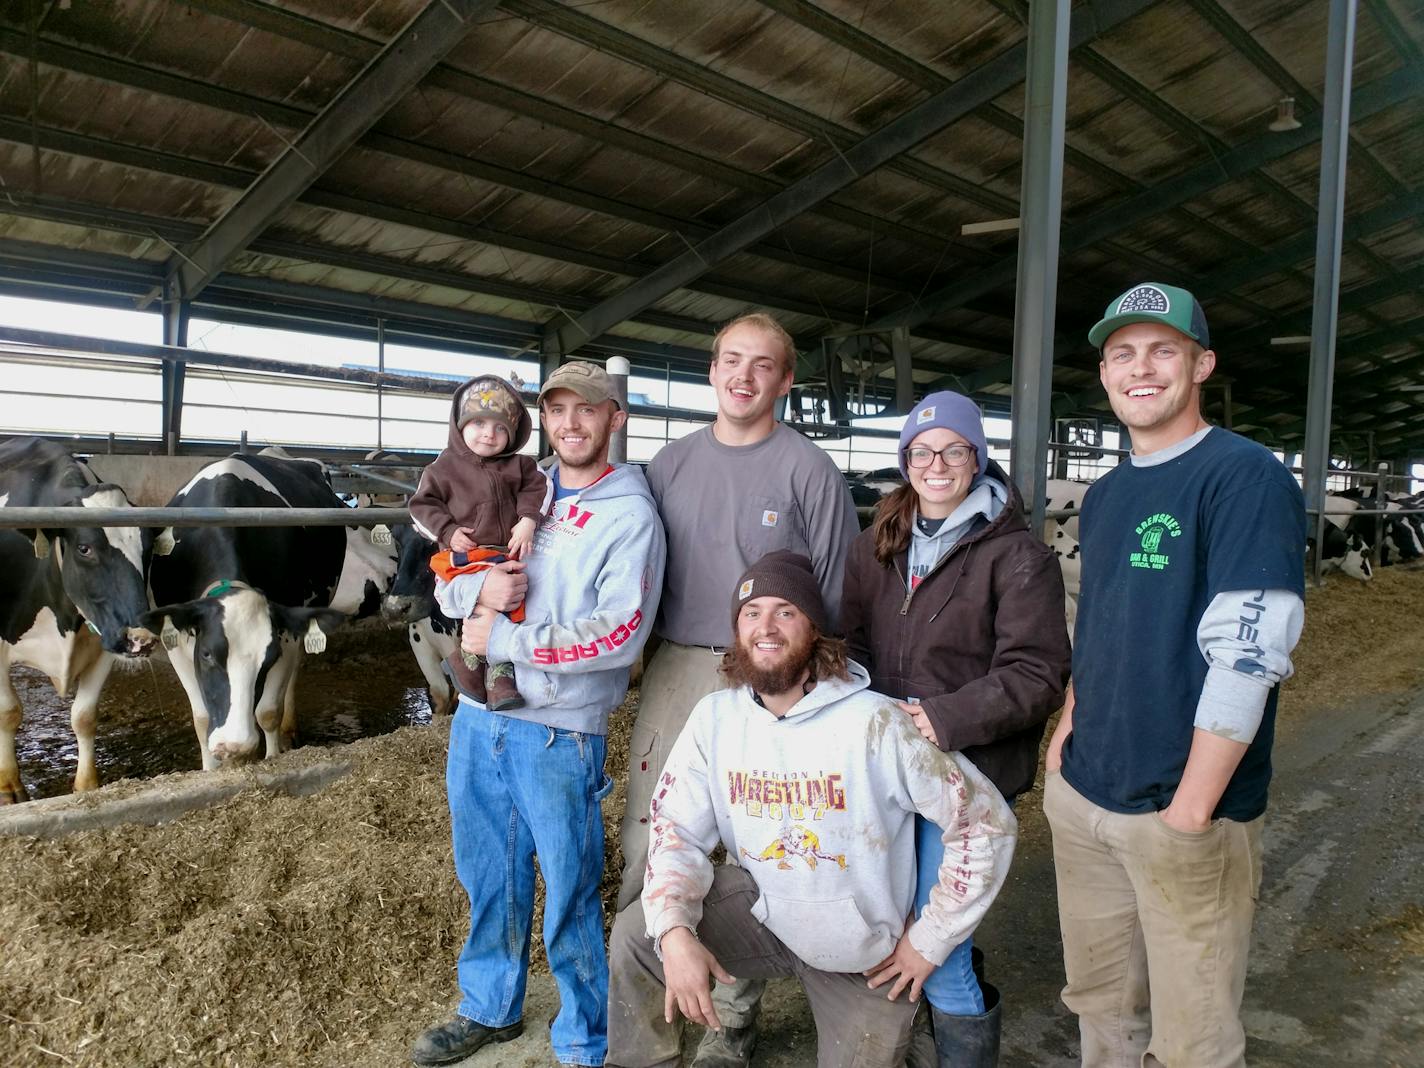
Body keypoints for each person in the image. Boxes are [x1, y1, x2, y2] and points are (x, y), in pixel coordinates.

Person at [607, 552, 1018, 1068]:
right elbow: (675, 830)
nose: (766, 626)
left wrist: (930, 940)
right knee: (637, 934)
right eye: (751, 612)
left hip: (864, 954)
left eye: (785, 611)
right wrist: (673, 931)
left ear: (814, 630)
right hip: (765, 912)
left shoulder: (878, 723)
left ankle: (911, 1037)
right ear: (736, 630)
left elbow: (986, 826)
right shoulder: (716, 717)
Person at [1043, 283, 1307, 1068]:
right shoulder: (1109, 494)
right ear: (1105, 374)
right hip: (1085, 793)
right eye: (1123, 354)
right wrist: (1066, 731)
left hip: (1181, 812)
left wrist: (1192, 810)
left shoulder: (1244, 476)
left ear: (1201, 364)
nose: (1142, 369)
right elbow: (1100, 623)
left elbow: (1249, 653)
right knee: (1099, 1006)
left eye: (1163, 350)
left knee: (1192, 1038)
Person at [617, 312, 860, 1065]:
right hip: (681, 661)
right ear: (712, 370)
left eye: (762, 365)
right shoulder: (670, 463)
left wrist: (818, 683)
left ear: (785, 381)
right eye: (730, 360)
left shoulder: (809, 469)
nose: (743, 376)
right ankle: (653, 1018)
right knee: (650, 831)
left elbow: (840, 588)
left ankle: (732, 1017)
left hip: (771, 671)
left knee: (757, 837)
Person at [412, 360, 666, 1068]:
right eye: (558, 410)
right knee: (487, 870)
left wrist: (508, 639)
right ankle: (491, 1005)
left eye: (587, 411)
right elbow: (451, 585)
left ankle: (586, 1038)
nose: (571, 424)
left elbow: (622, 632)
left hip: (558, 728)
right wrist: (477, 597)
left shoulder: (630, 515)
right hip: (476, 716)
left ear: (614, 417)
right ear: (543, 419)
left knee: (571, 888)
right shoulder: (520, 485)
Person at [841, 390, 1071, 1065]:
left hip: (967, 779)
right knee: (897, 923)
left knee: (936, 950)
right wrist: (851, 707)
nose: (936, 463)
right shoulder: (876, 545)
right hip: (885, 769)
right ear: (905, 460)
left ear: (977, 458)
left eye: (954, 450)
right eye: (922, 451)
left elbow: (1037, 674)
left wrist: (945, 716)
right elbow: (851, 642)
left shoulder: (1019, 556)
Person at [409, 374, 550, 711]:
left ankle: (469, 666)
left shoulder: (521, 466)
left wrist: (529, 520)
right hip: (464, 555)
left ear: (514, 434)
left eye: (501, 428)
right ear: (461, 425)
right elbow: (421, 506)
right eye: (479, 423)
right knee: (493, 605)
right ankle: (497, 676)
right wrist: (447, 531)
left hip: (503, 554)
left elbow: (538, 490)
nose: (489, 433)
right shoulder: (443, 468)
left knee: (513, 603)